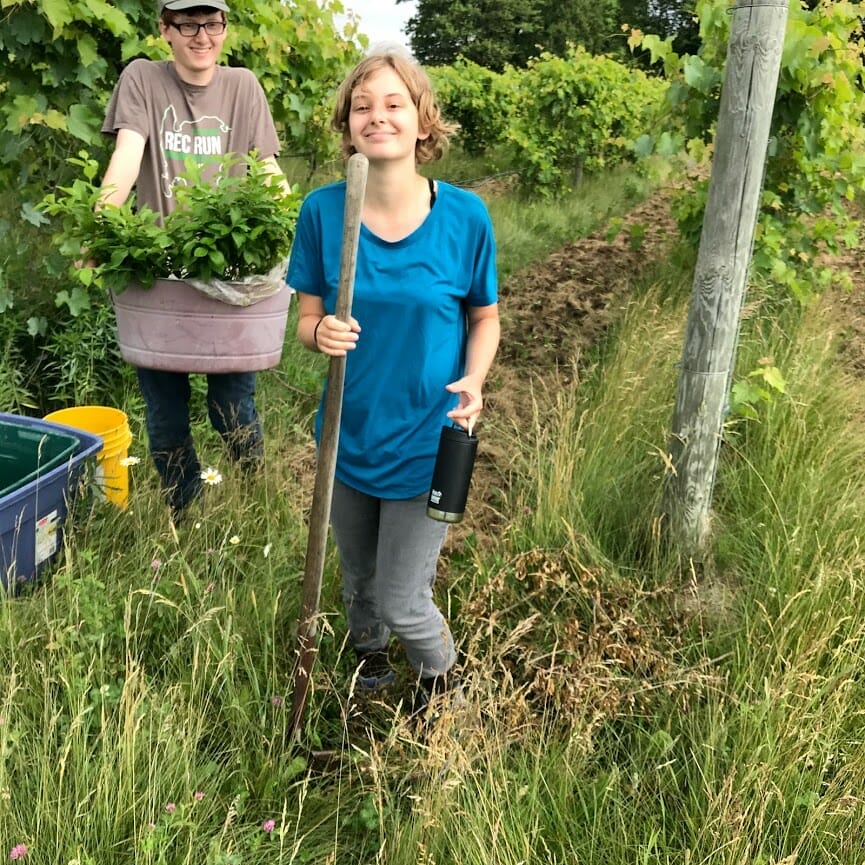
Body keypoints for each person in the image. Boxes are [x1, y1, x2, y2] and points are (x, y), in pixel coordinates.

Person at [287, 49, 501, 715]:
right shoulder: (324, 212)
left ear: (420, 122)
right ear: (347, 126)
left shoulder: (464, 217)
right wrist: (317, 334)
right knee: (356, 578)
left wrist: (474, 378)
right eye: (362, 106)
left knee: (403, 594)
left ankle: (442, 683)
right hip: (346, 438)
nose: (376, 115)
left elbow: (484, 316)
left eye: (392, 104)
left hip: (426, 440)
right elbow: (305, 315)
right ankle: (370, 659)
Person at [99, 0, 288, 517]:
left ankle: (254, 499)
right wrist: (98, 229)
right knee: (164, 414)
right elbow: (127, 156)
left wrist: (291, 228)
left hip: (230, 278)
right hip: (157, 278)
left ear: (224, 28)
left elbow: (267, 171)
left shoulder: (243, 86)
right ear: (166, 29)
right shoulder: (142, 79)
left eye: (212, 24)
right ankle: (186, 510)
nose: (201, 36)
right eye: (187, 24)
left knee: (233, 406)